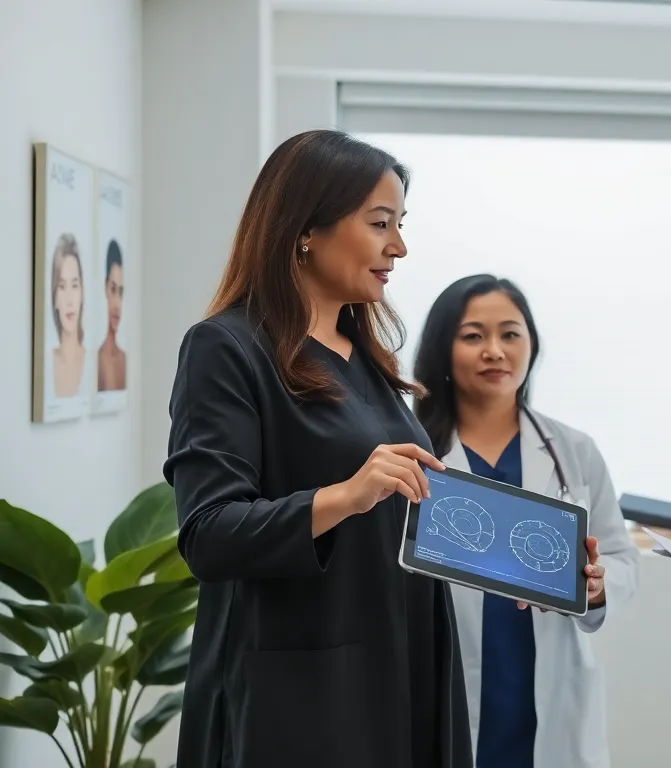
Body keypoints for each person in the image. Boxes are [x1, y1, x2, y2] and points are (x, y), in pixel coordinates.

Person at [163, 129, 474, 768]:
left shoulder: (366, 359)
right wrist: (345, 495)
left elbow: (404, 508)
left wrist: (538, 564)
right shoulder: (226, 349)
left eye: (401, 224)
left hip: (403, 661)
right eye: (380, 223)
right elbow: (209, 535)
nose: (400, 247)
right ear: (306, 227)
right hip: (304, 693)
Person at [412, 273, 639, 768]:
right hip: (446, 682)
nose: (495, 350)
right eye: (473, 336)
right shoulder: (413, 453)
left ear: (531, 345)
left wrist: (597, 586)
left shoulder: (573, 451)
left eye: (510, 334)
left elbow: (622, 556)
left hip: (547, 687)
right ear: (442, 349)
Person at [48, 233, 85, 398]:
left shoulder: (92, 363)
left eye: (75, 285)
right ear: (54, 297)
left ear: (82, 293)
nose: (70, 299)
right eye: (62, 287)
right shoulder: (48, 364)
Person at [98, 238, 128, 392]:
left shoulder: (123, 359)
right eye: (113, 289)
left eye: (121, 292)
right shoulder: (98, 359)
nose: (117, 304)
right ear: (105, 288)